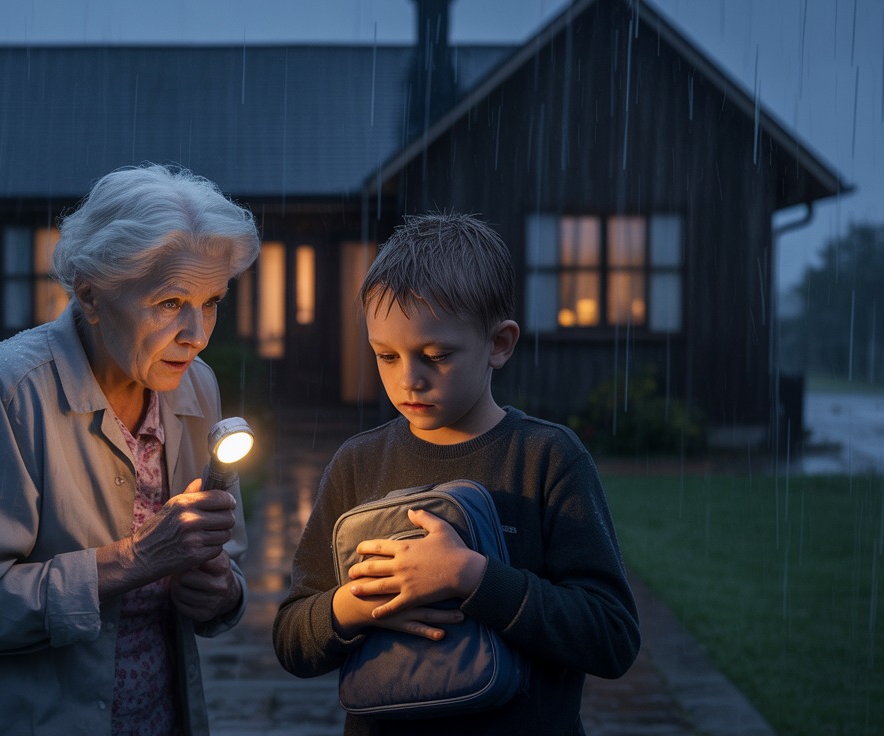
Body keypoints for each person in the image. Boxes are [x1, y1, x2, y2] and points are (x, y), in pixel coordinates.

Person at [0, 163, 261, 736]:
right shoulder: (10, 390)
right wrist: (137, 558)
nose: (197, 334)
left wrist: (221, 592)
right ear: (91, 295)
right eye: (170, 302)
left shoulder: (195, 385)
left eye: (211, 301)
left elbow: (222, 563)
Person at [272, 213, 640, 735]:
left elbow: (612, 637)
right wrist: (353, 606)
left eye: (436, 355)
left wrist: (472, 578)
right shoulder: (357, 463)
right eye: (385, 356)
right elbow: (291, 639)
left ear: (500, 343)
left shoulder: (546, 458)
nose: (409, 379)